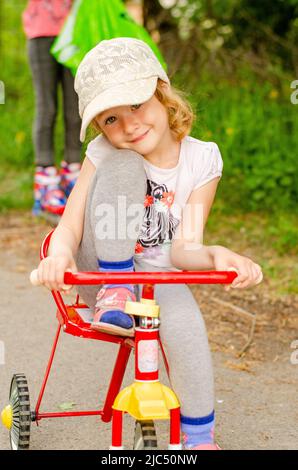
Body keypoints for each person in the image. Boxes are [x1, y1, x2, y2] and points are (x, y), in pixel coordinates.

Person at [34, 38, 263, 450]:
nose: (128, 126)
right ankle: (117, 286)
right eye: (110, 119)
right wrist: (60, 255)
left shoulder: (202, 160)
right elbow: (68, 226)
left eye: (136, 106)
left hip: (156, 280)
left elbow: (184, 248)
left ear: (161, 92)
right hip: (98, 272)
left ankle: (196, 438)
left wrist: (217, 254)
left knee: (188, 327)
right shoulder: (107, 151)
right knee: (121, 163)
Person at [22, 0, 81, 216]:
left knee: (75, 110)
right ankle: (46, 176)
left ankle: (73, 172)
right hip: (40, 34)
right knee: (46, 109)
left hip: (74, 35)